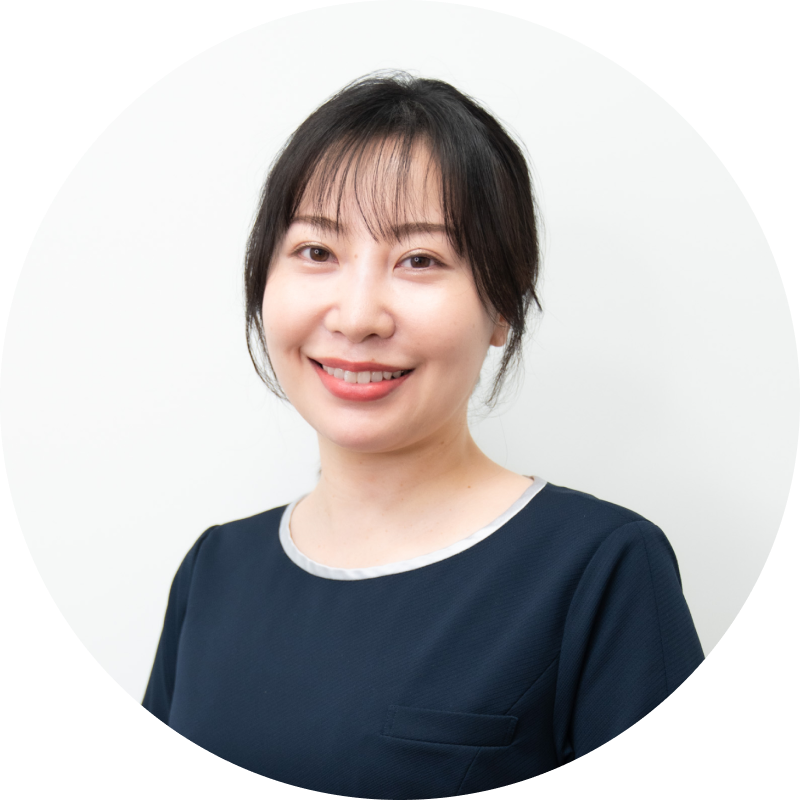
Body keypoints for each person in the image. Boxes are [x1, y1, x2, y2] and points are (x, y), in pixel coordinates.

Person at [142, 72, 704, 795]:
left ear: (502, 307)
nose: (357, 317)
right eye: (316, 251)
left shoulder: (600, 569)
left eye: (420, 260)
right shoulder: (214, 571)